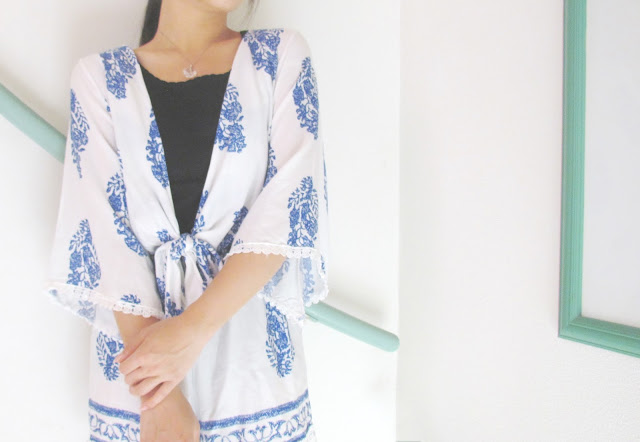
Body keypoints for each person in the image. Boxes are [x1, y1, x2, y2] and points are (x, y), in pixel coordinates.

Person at [42, 0, 330, 440]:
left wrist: (188, 337)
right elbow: (103, 237)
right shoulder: (98, 79)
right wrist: (160, 396)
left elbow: (291, 207)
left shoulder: (280, 58)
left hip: (255, 384)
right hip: (140, 393)